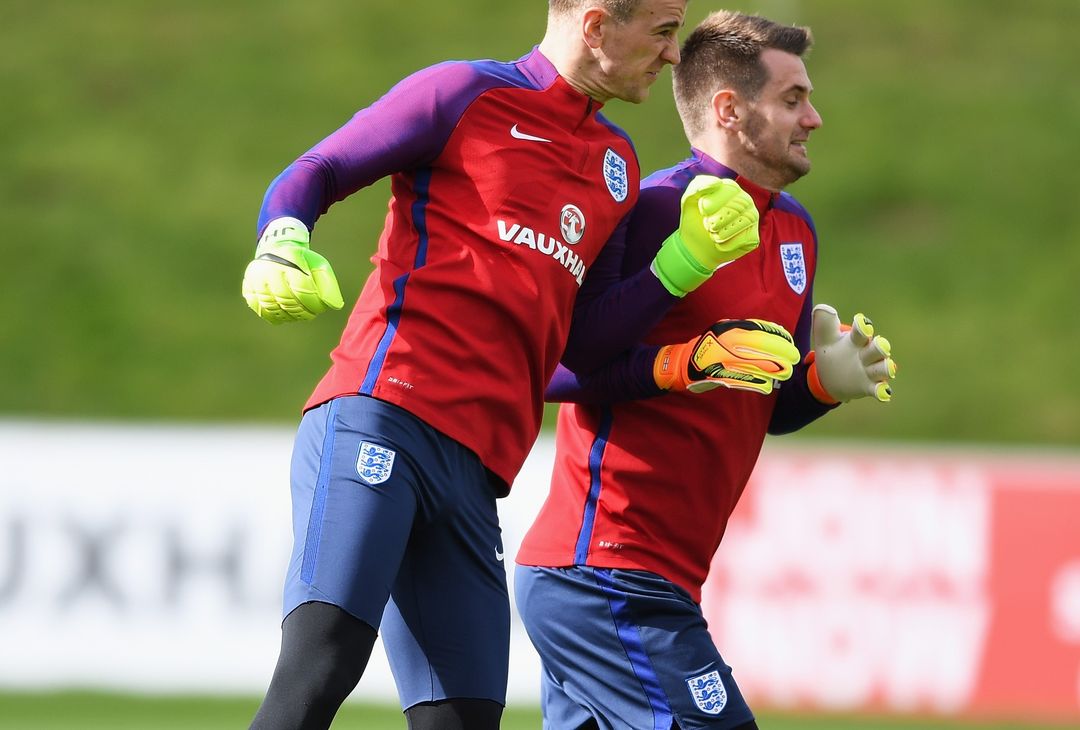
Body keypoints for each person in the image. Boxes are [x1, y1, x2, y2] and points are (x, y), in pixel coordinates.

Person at [235, 2, 774, 728]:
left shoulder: (617, 167)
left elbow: (582, 349)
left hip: (474, 473)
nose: (675, 55)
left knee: (463, 721)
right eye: (661, 32)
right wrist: (282, 237)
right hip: (381, 416)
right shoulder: (464, 94)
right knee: (322, 661)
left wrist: (683, 263)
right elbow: (320, 167)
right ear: (594, 27)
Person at [515, 10, 898, 730]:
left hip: (656, 580)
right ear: (728, 108)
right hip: (604, 569)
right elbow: (557, 366)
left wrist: (820, 383)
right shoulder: (655, 207)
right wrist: (680, 363)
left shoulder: (795, 231)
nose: (813, 118)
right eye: (792, 99)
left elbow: (765, 403)